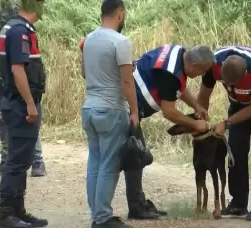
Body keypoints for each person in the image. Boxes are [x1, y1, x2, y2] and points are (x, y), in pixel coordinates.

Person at [80, 37, 216, 220]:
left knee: (134, 155)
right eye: (202, 70)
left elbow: (179, 87)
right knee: (131, 155)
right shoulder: (170, 74)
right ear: (193, 63)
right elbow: (169, 112)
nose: (202, 75)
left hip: (124, 106)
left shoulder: (178, 53)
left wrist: (196, 106)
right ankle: (121, 210)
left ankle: (137, 204)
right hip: (125, 109)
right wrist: (195, 123)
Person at [197, 45, 251, 221]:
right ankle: (238, 204)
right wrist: (201, 120)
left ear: (244, 76)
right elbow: (203, 96)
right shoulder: (212, 64)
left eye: (232, 84)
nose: (227, 87)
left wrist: (226, 123)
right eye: (224, 82)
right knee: (235, 147)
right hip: (239, 101)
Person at [80, 0, 138, 227]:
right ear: (120, 14)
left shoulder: (88, 39)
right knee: (109, 164)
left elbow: (85, 72)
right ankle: (103, 218)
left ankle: (97, 214)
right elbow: (126, 81)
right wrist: (134, 110)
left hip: (89, 108)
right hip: (111, 109)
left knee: (95, 161)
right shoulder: (121, 41)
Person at [0, 0, 49, 227]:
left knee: (23, 159)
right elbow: (18, 70)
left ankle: (18, 211)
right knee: (16, 161)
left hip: (16, 104)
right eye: (42, 2)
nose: (44, 7)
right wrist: (29, 103)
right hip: (19, 105)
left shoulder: (16, 28)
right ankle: (6, 214)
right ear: (34, 4)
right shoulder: (19, 31)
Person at [0, 0, 46, 178]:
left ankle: (36, 160)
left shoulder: (14, 11)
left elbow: (19, 58)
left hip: (14, 73)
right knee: (6, 117)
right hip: (0, 73)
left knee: (26, 116)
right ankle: (8, 158)